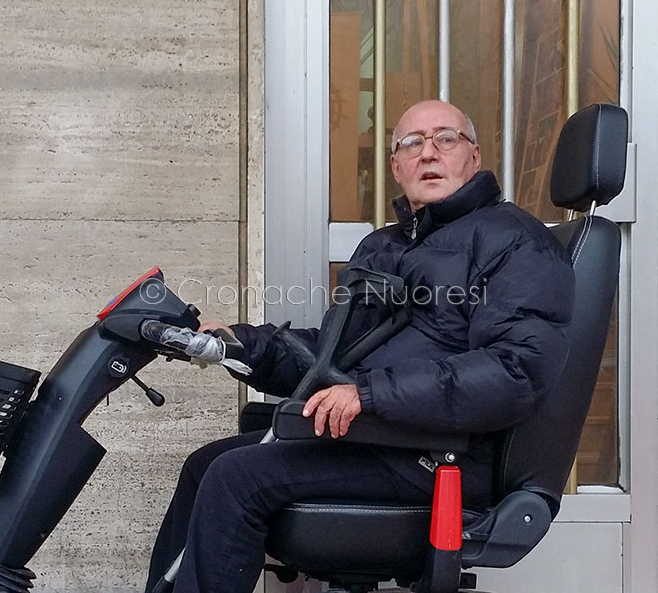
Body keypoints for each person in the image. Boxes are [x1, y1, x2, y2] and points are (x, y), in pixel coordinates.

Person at [144, 100, 575, 593]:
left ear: (473, 156)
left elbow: (514, 371)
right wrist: (238, 345)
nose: (428, 153)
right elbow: (334, 356)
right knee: (204, 466)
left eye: (445, 138)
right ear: (396, 166)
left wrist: (369, 394)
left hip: (440, 454)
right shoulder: (385, 246)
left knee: (235, 477)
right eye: (412, 143)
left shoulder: (516, 242)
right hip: (376, 438)